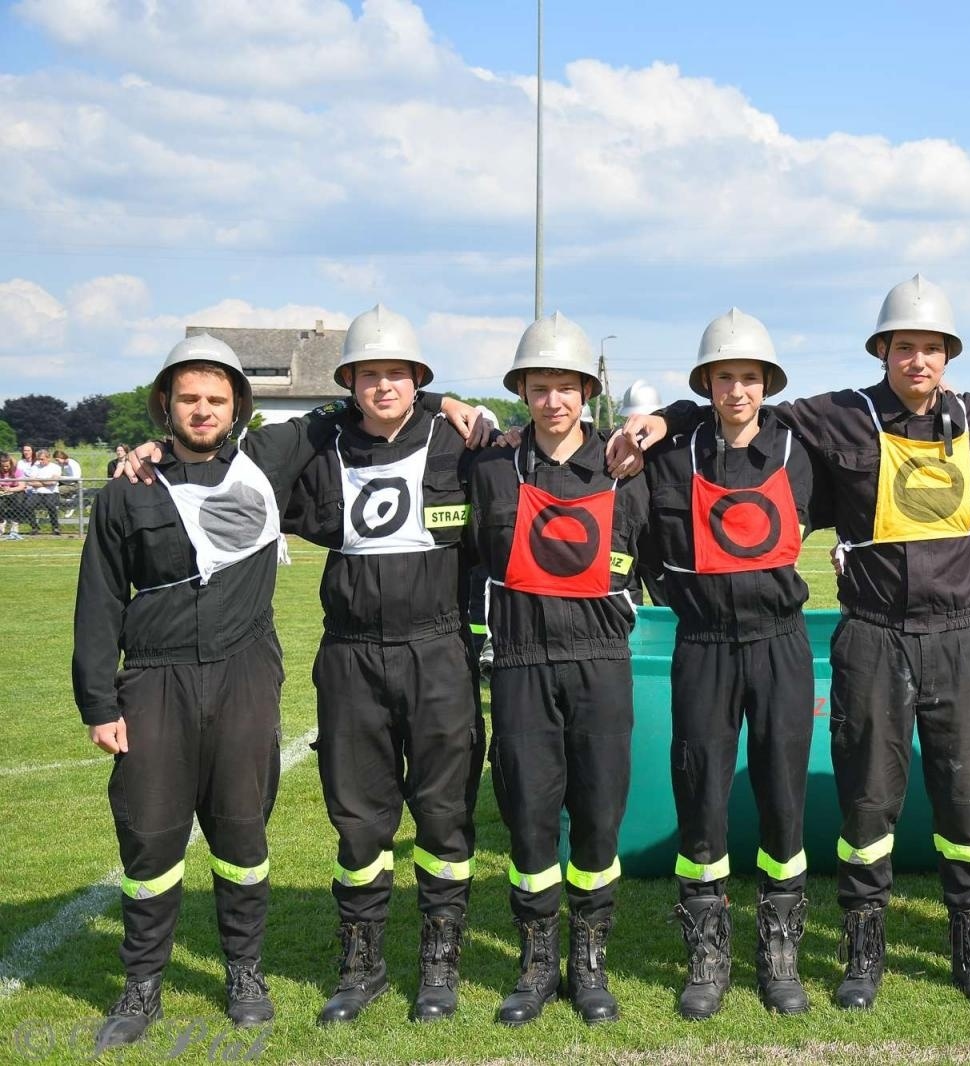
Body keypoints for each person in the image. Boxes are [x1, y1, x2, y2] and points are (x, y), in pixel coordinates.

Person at [617, 277, 970, 1011]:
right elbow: (744, 407)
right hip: (873, 637)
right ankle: (862, 950)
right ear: (883, 350)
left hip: (960, 637)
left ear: (948, 356)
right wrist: (665, 416)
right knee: (868, 801)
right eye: (905, 347)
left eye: (932, 348)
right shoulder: (838, 418)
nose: (919, 360)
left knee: (967, 800)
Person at [73, 336, 350, 1051]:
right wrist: (100, 704)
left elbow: (360, 400)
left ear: (237, 408)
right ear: (166, 404)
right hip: (155, 680)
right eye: (188, 398)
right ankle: (142, 984)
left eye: (216, 399)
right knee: (150, 836)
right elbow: (100, 603)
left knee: (241, 834)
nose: (202, 410)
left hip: (245, 672)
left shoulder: (266, 462)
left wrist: (450, 405)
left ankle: (244, 972)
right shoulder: (128, 490)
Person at [281, 305, 487, 1025]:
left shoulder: (459, 442)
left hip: (439, 651)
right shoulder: (319, 448)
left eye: (398, 373)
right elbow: (241, 464)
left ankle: (439, 960)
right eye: (370, 374)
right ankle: (362, 962)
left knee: (442, 812)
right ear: (349, 382)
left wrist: (449, 404)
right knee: (361, 820)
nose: (384, 385)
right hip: (350, 656)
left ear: (419, 379)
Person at [638, 310, 822, 1019]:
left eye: (749, 376)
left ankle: (779, 956)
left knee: (783, 798)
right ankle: (708, 956)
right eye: (724, 377)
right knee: (702, 798)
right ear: (707, 383)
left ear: (767, 383)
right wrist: (666, 414)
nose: (737, 389)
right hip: (704, 645)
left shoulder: (800, 448)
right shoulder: (672, 450)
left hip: (780, 643)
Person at [467, 312, 650, 1027]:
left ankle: (591, 961)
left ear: (587, 392)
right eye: (539, 389)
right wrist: (449, 403)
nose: (553, 403)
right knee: (528, 820)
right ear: (522, 393)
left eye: (567, 388)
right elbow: (395, 416)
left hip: (600, 665)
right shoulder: (490, 467)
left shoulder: (623, 468)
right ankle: (538, 961)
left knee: (599, 821)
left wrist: (656, 425)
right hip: (519, 664)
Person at [25, 444, 62, 534]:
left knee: (51, 505)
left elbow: (53, 482)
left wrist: (38, 481)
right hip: (37, 493)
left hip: (52, 492)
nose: (40, 461)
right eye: (39, 459)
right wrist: (46, 482)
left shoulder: (56, 467)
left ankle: (55, 527)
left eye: (42, 459)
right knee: (28, 506)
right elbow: (30, 482)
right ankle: (35, 527)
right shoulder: (35, 467)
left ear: (48, 458)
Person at [0, 451, 26, 537]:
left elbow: (22, 486)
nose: (5, 468)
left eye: (7, 466)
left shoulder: (18, 471)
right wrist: (2, 489)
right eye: (3, 466)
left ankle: (15, 523)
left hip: (16, 492)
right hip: (3, 493)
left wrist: (10, 489)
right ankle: (2, 522)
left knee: (19, 501)